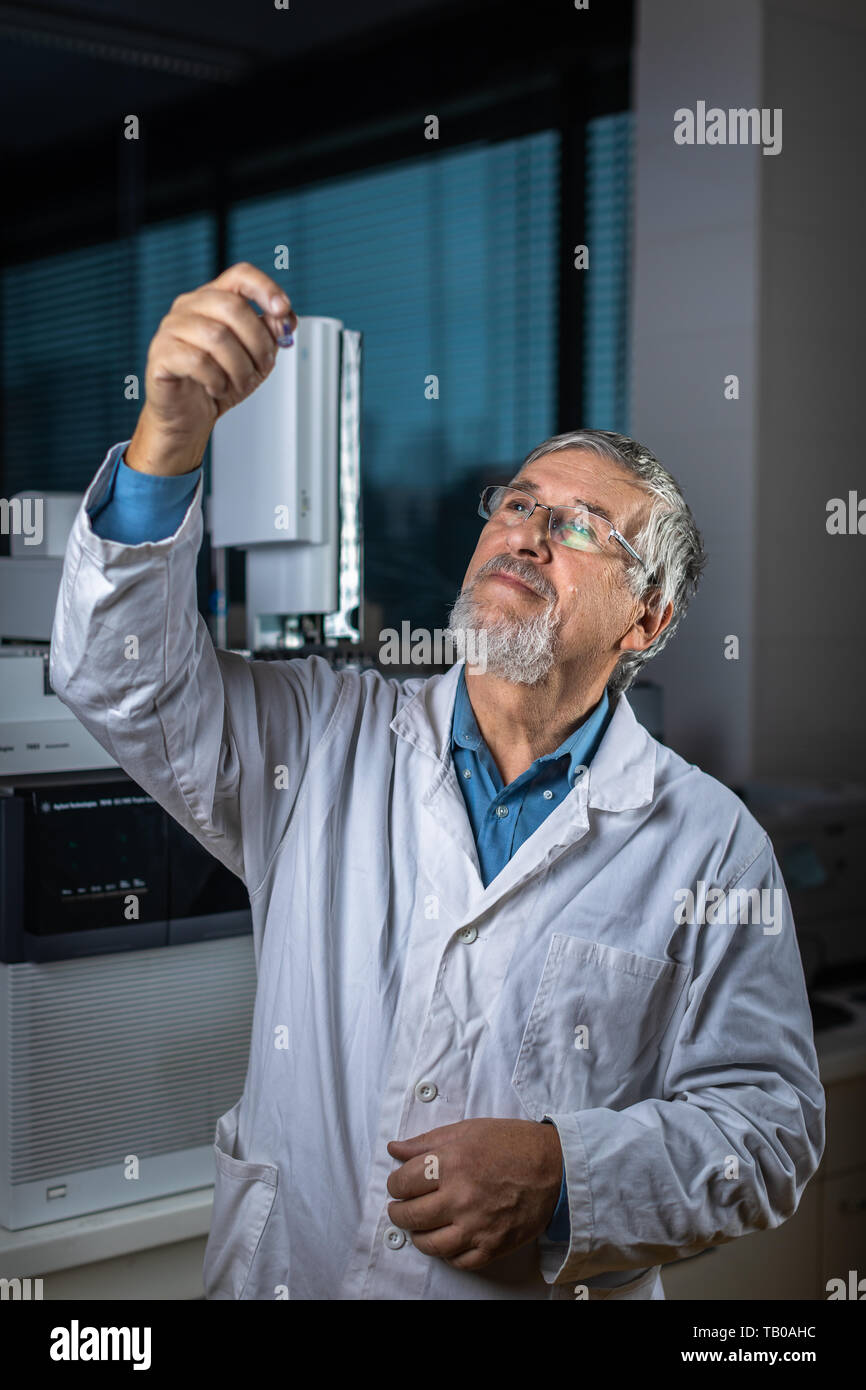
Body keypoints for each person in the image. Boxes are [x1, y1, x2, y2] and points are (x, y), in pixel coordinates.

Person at [50, 262, 825, 1301]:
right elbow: (116, 678)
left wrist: (563, 1175)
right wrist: (168, 436)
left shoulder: (706, 843)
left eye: (583, 527)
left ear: (648, 623)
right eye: (518, 501)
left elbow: (766, 1133)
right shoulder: (325, 735)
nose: (528, 532)